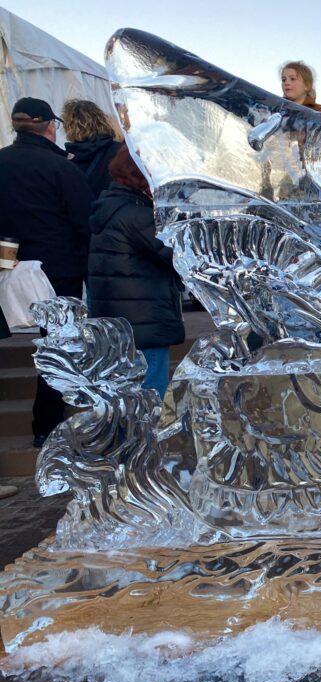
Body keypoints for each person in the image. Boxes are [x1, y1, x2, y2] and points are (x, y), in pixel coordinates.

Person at [0, 98, 94, 447]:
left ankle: (47, 426)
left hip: (13, 265)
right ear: (50, 126)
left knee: (49, 345)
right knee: (60, 346)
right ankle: (51, 425)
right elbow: (84, 223)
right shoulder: (61, 168)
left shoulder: (2, 163)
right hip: (60, 269)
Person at [88, 145, 184, 398]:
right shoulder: (137, 215)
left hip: (121, 321)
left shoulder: (111, 207)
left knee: (126, 396)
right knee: (149, 394)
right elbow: (178, 255)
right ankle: (147, 439)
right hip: (142, 322)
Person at [61, 99, 122, 198]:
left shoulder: (64, 159)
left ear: (68, 126)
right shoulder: (119, 152)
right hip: (113, 210)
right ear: (101, 119)